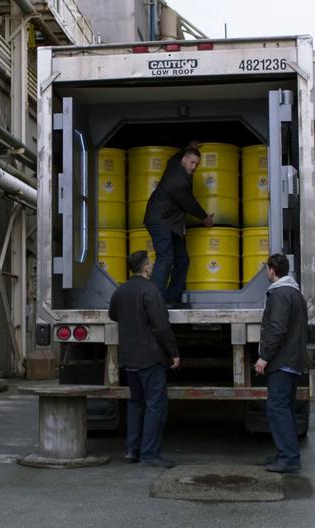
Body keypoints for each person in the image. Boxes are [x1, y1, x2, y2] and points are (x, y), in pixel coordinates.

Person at [108, 250, 181, 468]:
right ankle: (149, 455)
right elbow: (160, 325)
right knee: (155, 406)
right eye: (150, 263)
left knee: (135, 404)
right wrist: (173, 352)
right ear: (146, 267)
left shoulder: (120, 291)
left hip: (129, 358)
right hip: (150, 357)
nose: (152, 266)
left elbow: (113, 315)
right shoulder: (151, 290)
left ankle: (132, 450)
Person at [254, 254, 308, 473]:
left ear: (271, 270)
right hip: (293, 359)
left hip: (282, 361)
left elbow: (277, 329)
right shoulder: (295, 292)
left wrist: (264, 357)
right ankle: (286, 454)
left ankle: (288, 458)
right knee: (285, 408)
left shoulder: (278, 294)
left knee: (277, 408)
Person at [143, 145, 214, 308]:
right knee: (166, 257)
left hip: (171, 223)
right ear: (184, 160)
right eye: (191, 162)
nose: (194, 167)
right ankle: (154, 300)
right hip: (160, 220)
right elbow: (189, 202)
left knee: (182, 259)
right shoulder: (179, 180)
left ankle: (171, 298)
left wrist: (189, 148)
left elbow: (174, 157)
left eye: (197, 164)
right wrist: (204, 218)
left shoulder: (174, 163)